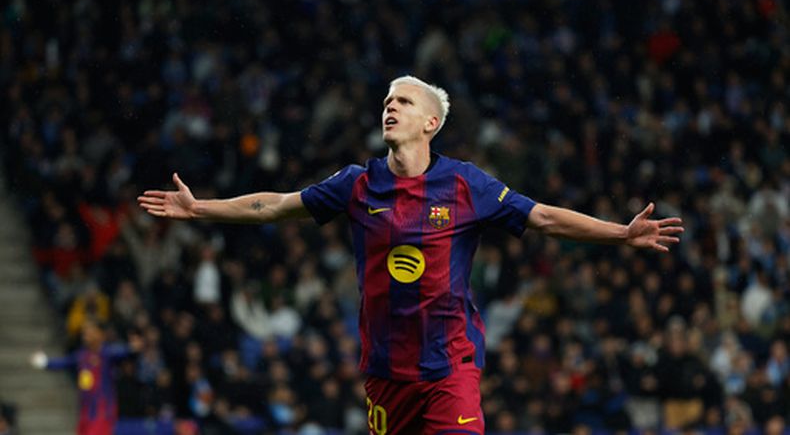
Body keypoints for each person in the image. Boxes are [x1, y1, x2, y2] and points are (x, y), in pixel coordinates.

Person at [138, 75, 684, 434]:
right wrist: (200, 209)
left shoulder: (466, 185)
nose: (389, 107)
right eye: (385, 101)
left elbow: (541, 216)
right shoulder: (356, 185)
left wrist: (620, 233)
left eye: (402, 100)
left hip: (450, 368)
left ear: (431, 123)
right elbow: (273, 207)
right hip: (385, 374)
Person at [30, 319, 142, 435]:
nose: (86, 334)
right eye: (85, 332)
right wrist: (44, 362)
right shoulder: (82, 356)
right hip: (86, 410)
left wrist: (132, 349)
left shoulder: (107, 354)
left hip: (102, 409)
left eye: (90, 331)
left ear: (101, 335)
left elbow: (123, 352)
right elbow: (64, 362)